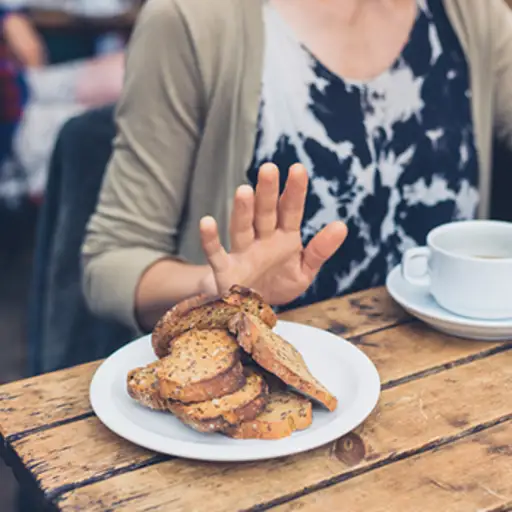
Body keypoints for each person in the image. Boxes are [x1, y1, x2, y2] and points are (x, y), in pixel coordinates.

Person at [82, 0, 512, 335]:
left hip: (454, 383)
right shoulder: (193, 19)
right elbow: (111, 261)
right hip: (269, 405)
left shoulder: (472, 14)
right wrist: (214, 287)